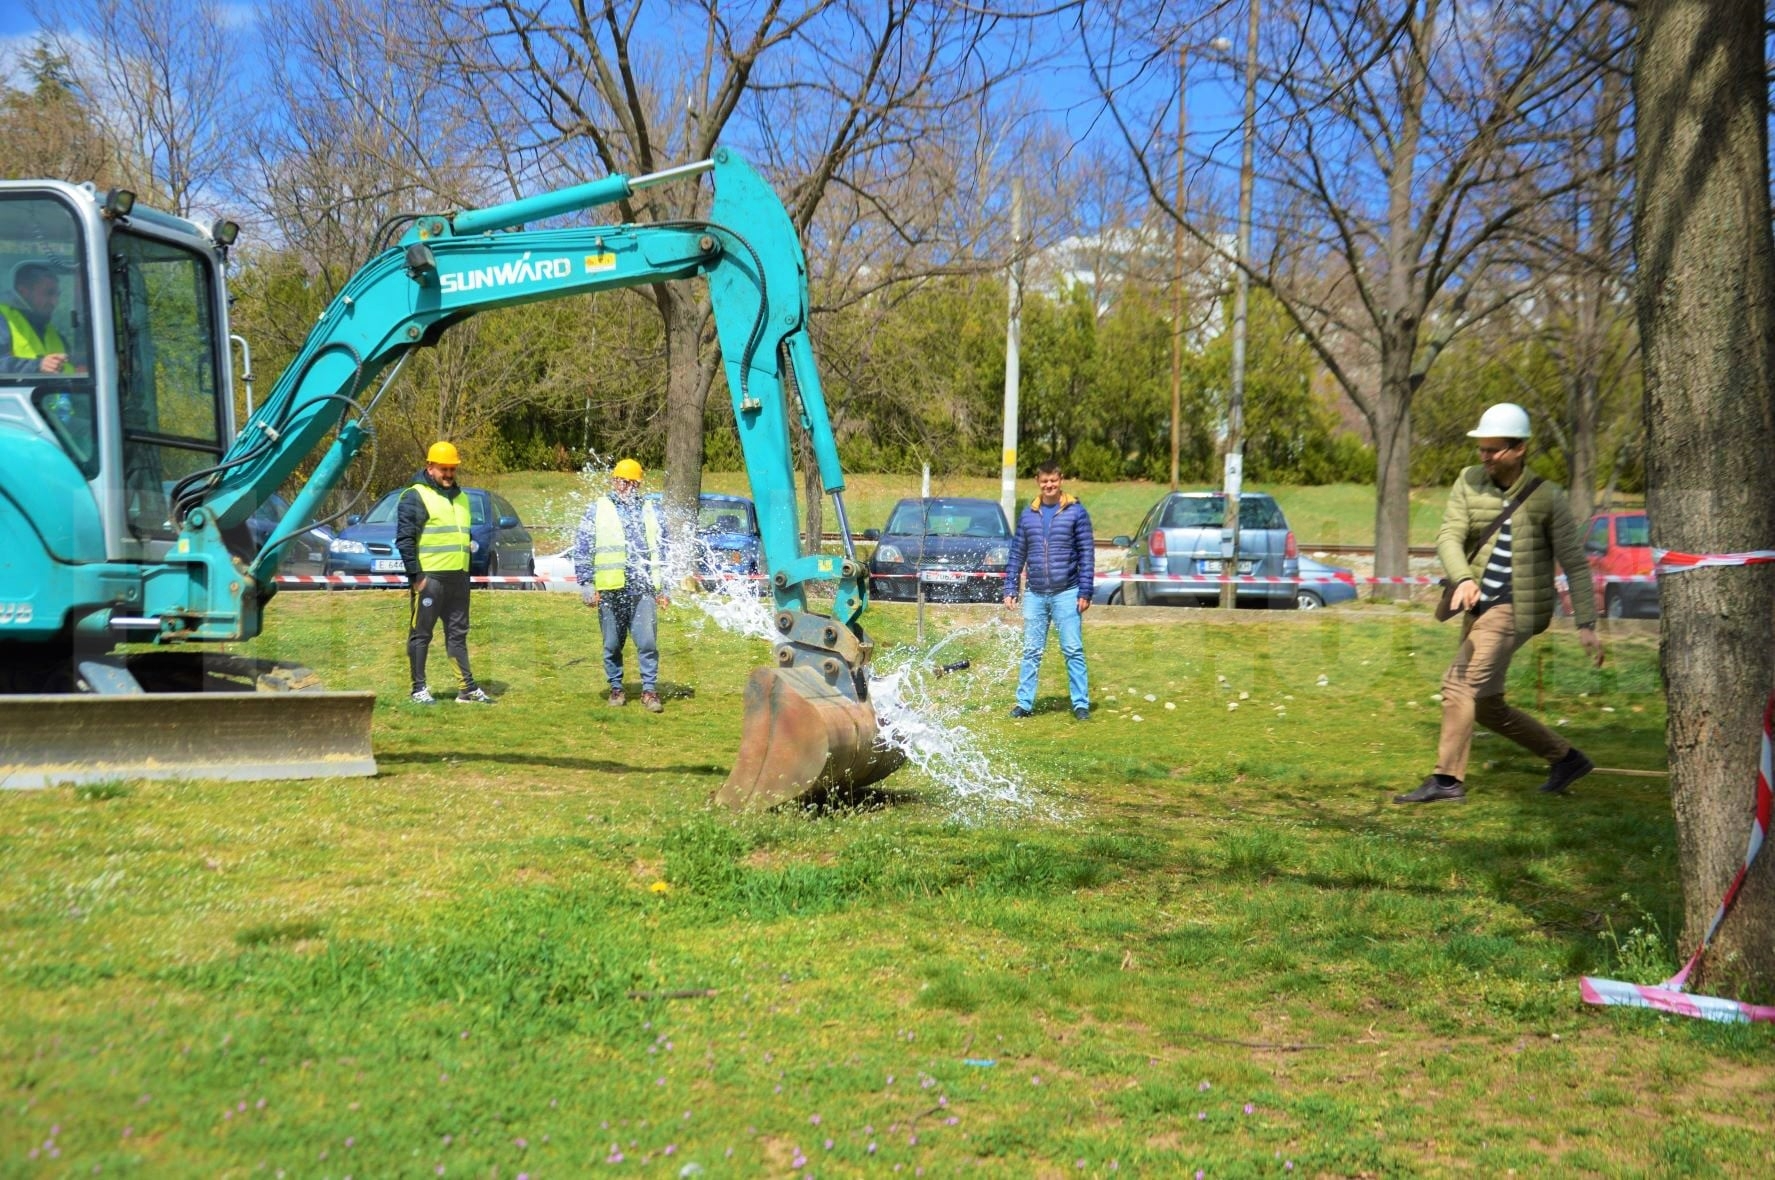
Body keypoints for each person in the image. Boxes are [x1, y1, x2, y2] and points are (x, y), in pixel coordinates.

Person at [1395, 402, 1603, 804]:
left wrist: (1586, 625)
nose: (1485, 457)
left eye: (1494, 450)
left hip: (1519, 609)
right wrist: (1464, 579)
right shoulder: (1468, 481)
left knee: (1459, 683)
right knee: (1485, 704)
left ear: (1519, 448)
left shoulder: (1547, 498)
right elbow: (1449, 537)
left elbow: (1576, 565)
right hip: (1476, 605)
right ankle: (1567, 758)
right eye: (1481, 449)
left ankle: (1447, 781)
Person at [395, 441, 495, 705]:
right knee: (421, 634)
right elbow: (405, 540)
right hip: (431, 579)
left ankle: (467, 689)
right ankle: (418, 689)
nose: (449, 474)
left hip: (458, 578)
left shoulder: (462, 498)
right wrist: (417, 577)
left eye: (452, 469)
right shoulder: (414, 495)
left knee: (458, 635)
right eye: (444, 469)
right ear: (430, 467)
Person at [574, 458, 670, 712]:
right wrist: (586, 583)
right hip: (610, 589)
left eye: (629, 482)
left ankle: (649, 691)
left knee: (647, 643)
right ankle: (616, 688)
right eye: (620, 481)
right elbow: (583, 547)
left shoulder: (652, 510)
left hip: (643, 590)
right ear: (614, 481)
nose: (624, 486)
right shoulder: (598, 509)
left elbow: (663, 549)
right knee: (612, 644)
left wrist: (664, 588)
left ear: (638, 484)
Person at [1002, 460, 1095, 720]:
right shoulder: (1028, 515)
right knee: (1031, 651)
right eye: (1044, 481)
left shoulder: (1076, 512)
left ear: (1060, 479)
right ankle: (1024, 703)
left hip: (1068, 591)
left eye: (1053, 480)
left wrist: (1085, 591)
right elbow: (1017, 552)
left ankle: (1080, 704)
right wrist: (1011, 587)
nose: (1049, 485)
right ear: (1038, 482)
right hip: (1035, 593)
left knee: (1072, 650)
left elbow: (1087, 553)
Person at [0, 260, 71, 375]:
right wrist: (37, 366)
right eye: (48, 293)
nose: (55, 301)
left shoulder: (53, 333)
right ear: (23, 292)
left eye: (57, 295)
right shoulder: (2, 320)